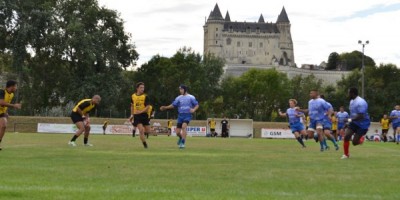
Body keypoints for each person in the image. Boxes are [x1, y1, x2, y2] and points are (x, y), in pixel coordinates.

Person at [160, 84, 199, 149]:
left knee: (184, 127)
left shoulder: (191, 97)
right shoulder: (178, 98)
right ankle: (180, 138)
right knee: (177, 132)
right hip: (180, 116)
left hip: (187, 115)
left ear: (185, 89)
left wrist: (194, 109)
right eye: (180, 89)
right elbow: (173, 105)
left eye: (181, 89)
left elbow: (197, 105)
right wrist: (165, 107)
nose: (180, 91)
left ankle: (183, 143)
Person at [341, 88, 370, 159]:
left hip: (363, 124)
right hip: (354, 123)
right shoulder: (351, 101)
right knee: (347, 136)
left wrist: (349, 120)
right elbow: (352, 114)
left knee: (354, 142)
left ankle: (361, 140)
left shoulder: (361, 102)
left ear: (352, 93)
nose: (348, 95)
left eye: (348, 93)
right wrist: (347, 123)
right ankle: (346, 154)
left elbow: (361, 116)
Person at [0, 80, 22, 150]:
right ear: (12, 86)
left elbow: (6, 104)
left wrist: (6, 112)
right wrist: (14, 105)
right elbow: (1, 102)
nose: (16, 88)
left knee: (4, 125)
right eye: (15, 86)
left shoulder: (12, 94)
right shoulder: (1, 91)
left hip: (1, 112)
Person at [128, 82, 150, 148]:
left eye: (143, 88)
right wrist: (132, 115)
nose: (142, 89)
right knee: (141, 130)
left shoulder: (145, 96)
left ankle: (144, 137)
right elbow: (132, 106)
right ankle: (145, 145)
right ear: (137, 88)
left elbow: (147, 107)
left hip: (144, 115)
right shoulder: (133, 96)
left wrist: (140, 111)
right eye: (141, 87)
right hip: (137, 116)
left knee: (148, 130)